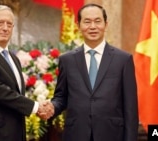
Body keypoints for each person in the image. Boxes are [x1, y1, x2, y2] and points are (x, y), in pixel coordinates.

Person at [41, 3, 139, 141]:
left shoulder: (123, 60)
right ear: (78, 25)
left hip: (112, 134)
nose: (93, 26)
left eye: (97, 21)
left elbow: (130, 108)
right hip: (76, 134)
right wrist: (51, 106)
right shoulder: (67, 60)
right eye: (87, 22)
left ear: (106, 24)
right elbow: (61, 97)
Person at [0, 5, 52, 141]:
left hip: (14, 133)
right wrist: (35, 107)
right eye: (0, 23)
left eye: (9, 24)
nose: (5, 28)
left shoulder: (14, 59)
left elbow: (15, 93)